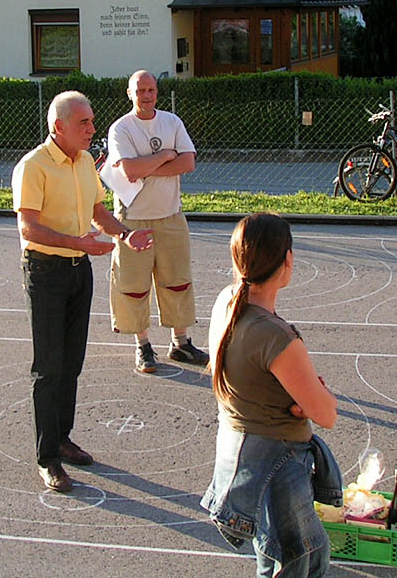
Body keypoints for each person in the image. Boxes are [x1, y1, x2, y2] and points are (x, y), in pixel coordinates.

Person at [12, 91, 154, 493]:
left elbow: (97, 210)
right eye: (84, 124)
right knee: (49, 367)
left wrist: (124, 234)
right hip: (46, 272)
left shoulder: (84, 162)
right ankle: (48, 458)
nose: (93, 129)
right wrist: (81, 245)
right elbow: (29, 229)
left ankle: (62, 437)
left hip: (79, 270)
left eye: (92, 122)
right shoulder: (33, 167)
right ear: (59, 127)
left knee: (72, 362)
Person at [201, 212, 339, 578]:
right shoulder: (276, 337)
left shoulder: (227, 302)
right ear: (287, 261)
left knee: (282, 551)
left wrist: (295, 395)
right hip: (277, 461)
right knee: (297, 561)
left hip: (243, 451)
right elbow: (326, 414)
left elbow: (236, 373)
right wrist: (313, 396)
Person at [106, 69, 208, 373]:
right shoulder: (120, 129)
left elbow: (187, 162)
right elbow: (128, 171)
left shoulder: (172, 122)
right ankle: (143, 345)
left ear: (157, 92)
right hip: (134, 220)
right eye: (140, 91)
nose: (146, 95)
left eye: (150, 90)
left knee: (177, 282)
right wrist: (165, 156)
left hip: (170, 216)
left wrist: (146, 165)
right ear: (130, 93)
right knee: (135, 286)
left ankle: (180, 343)